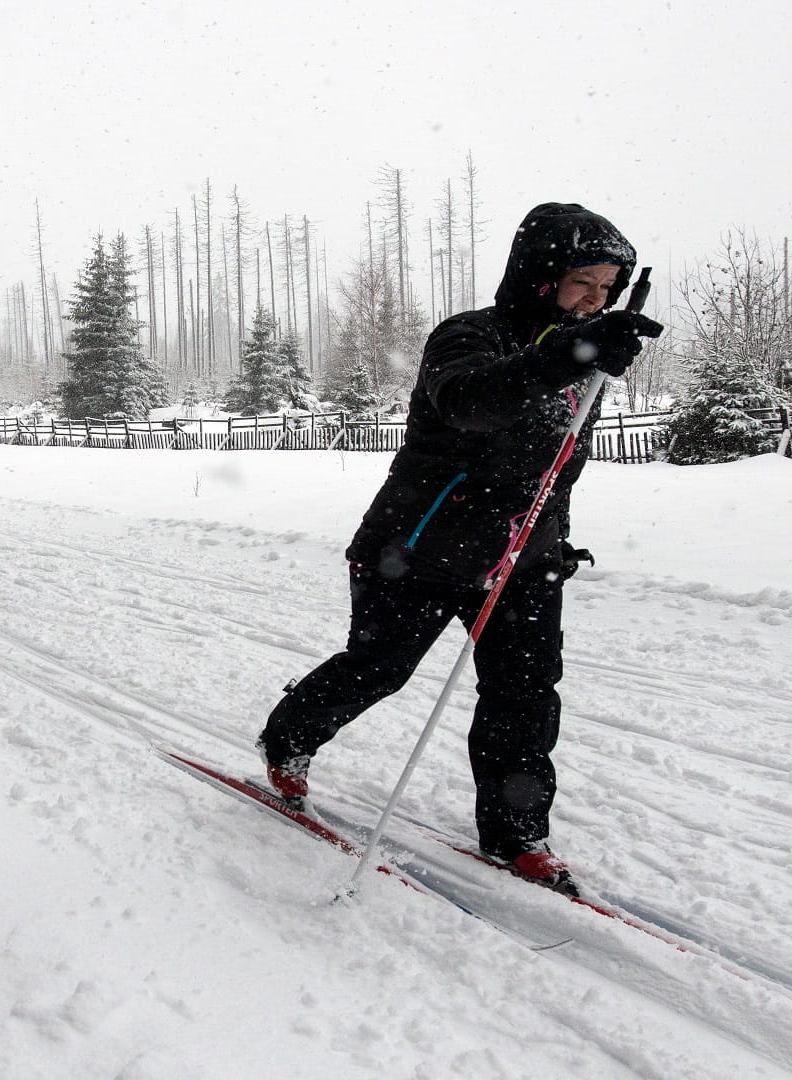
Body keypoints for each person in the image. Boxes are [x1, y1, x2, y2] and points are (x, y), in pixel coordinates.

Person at [256, 202, 661, 891]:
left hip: (520, 558)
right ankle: (288, 741)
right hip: (418, 547)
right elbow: (470, 401)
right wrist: (565, 355)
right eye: (580, 284)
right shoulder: (470, 335)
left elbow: (553, 472)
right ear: (540, 277)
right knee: (379, 667)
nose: (592, 302)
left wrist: (549, 546)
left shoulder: (587, 365)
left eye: (606, 291)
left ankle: (518, 834)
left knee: (525, 692)